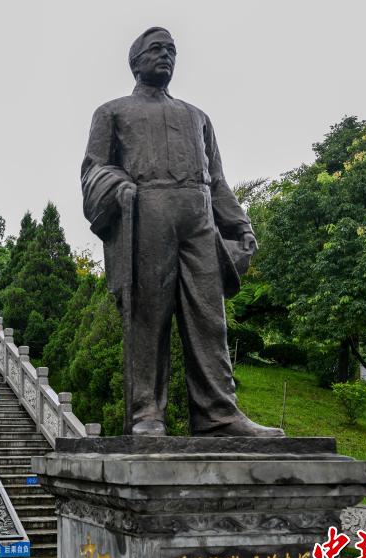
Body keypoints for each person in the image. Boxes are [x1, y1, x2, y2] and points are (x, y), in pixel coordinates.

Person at [81, 27, 283, 437]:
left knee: (210, 319)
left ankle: (218, 414)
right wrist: (117, 186)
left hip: (199, 217)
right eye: (156, 50)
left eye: (171, 51)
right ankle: (146, 413)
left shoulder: (197, 117)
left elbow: (219, 181)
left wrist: (240, 224)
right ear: (135, 61)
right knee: (149, 315)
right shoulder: (112, 112)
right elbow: (93, 169)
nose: (166, 56)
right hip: (148, 211)